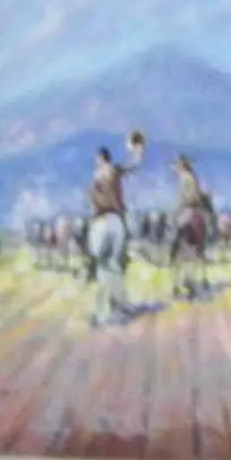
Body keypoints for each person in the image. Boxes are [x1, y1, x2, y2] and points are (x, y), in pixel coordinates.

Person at [85, 130, 147, 324]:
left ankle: (104, 311)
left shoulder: (95, 177)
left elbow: (92, 204)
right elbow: (134, 164)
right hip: (116, 221)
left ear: (98, 158)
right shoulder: (115, 170)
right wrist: (139, 148)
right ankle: (121, 304)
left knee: (102, 266)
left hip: (100, 221)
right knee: (115, 264)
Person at [166, 152, 216, 297]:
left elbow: (186, 199)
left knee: (174, 234)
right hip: (195, 210)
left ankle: (172, 256)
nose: (175, 168)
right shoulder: (192, 178)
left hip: (187, 211)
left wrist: (175, 212)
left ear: (182, 166)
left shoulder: (185, 178)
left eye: (176, 165)